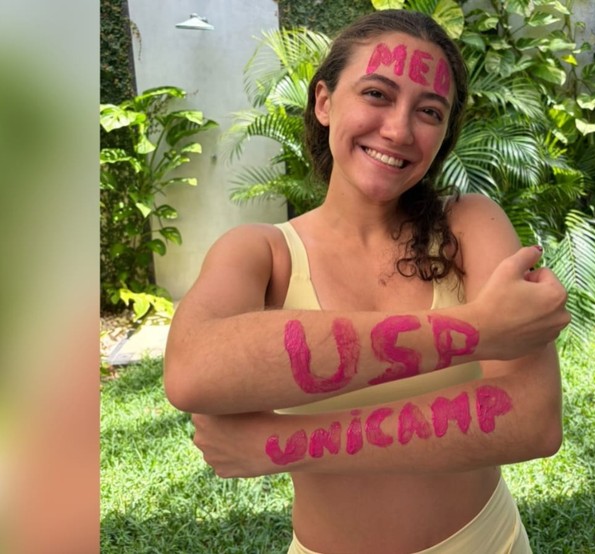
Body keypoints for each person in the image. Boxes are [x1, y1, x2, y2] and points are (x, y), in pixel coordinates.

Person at [164, 9, 570, 554]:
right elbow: (192, 371)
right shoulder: (262, 253)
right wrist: (479, 328)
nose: (399, 130)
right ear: (324, 101)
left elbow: (533, 420)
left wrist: (278, 444)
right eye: (377, 94)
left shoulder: (469, 225)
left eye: (429, 111)